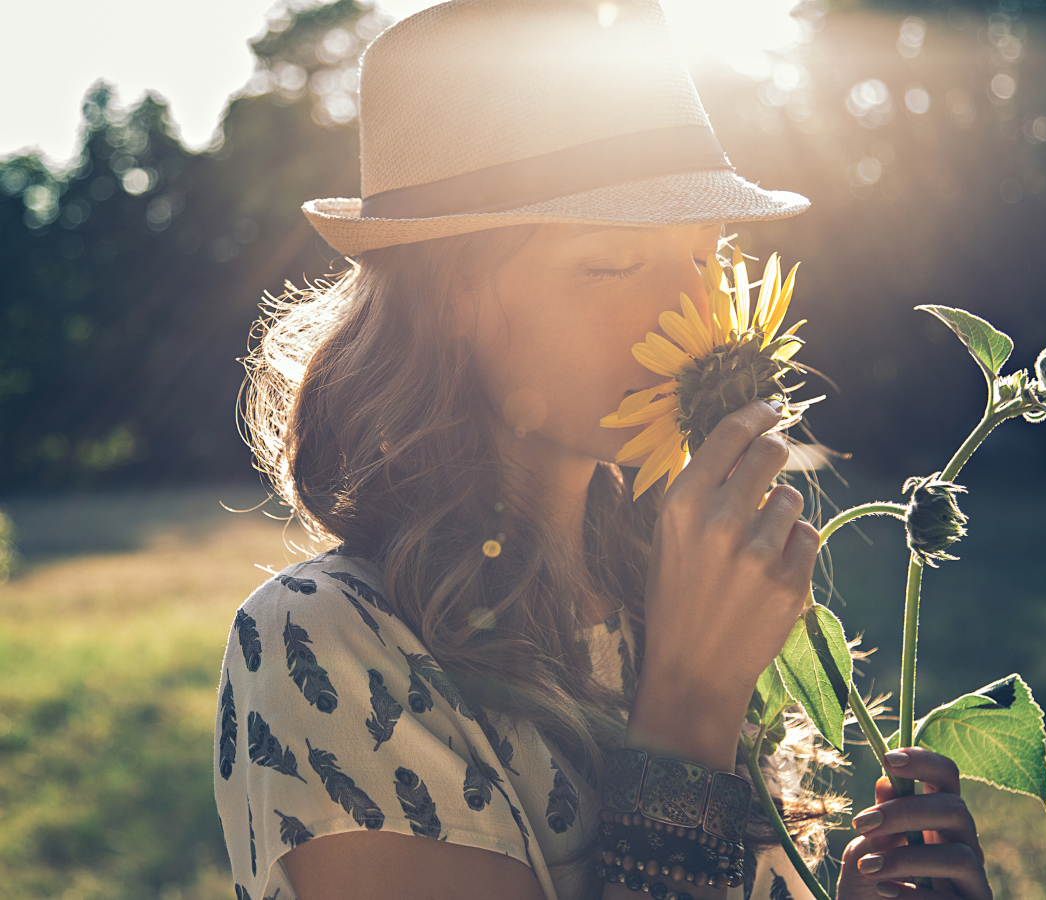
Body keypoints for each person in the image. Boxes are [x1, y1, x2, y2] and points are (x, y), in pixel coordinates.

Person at [213, 2, 994, 899]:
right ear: (451, 299)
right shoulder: (327, 643)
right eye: (612, 265)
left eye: (707, 257)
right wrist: (692, 706)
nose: (687, 315)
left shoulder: (652, 591)